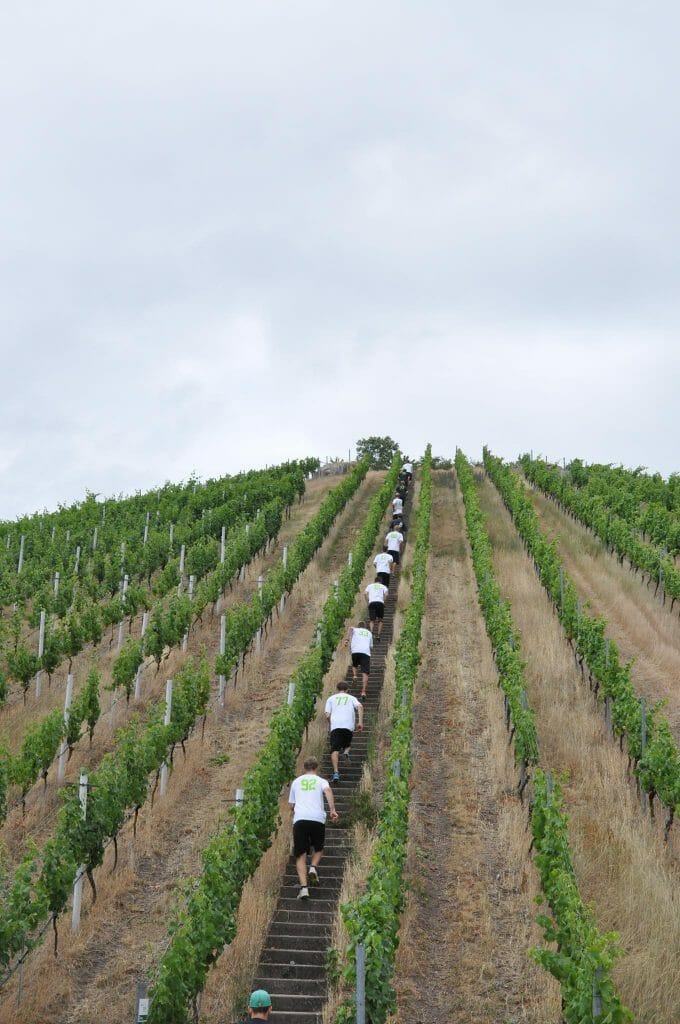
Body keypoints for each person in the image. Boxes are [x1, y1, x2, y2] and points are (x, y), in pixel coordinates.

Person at [289, 757, 338, 899]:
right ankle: (313, 867)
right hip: (317, 818)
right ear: (316, 768)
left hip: (300, 819)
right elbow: (328, 791)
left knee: (300, 854)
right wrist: (332, 810)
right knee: (318, 848)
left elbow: (291, 805)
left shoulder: (296, 782)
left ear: (304, 768)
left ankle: (304, 889)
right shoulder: (321, 781)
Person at [325, 680, 363, 782]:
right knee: (347, 744)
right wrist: (360, 722)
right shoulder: (351, 698)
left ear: (337, 689)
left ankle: (336, 773)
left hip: (336, 726)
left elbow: (327, 715)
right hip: (348, 725)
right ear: (347, 689)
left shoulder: (331, 699)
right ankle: (346, 752)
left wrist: (331, 722)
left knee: (334, 749)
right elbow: (360, 706)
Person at [344, 619, 373, 697]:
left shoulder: (355, 629)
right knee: (365, 672)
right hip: (365, 653)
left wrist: (347, 640)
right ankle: (363, 691)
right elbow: (371, 646)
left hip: (355, 651)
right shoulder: (369, 633)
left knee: (354, 664)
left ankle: (355, 675)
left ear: (358, 626)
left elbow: (350, 628)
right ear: (365, 627)